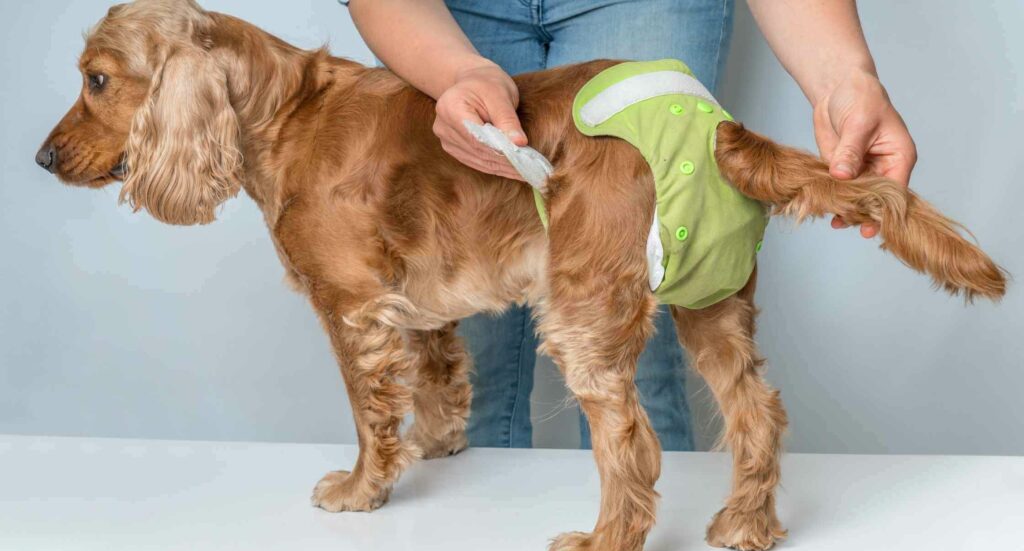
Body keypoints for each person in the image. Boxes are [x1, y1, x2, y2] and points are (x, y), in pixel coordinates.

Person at [342, 0, 917, 450]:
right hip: (441, 14)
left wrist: (846, 77)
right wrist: (458, 71)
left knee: (642, 319)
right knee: (466, 343)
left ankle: (649, 543)